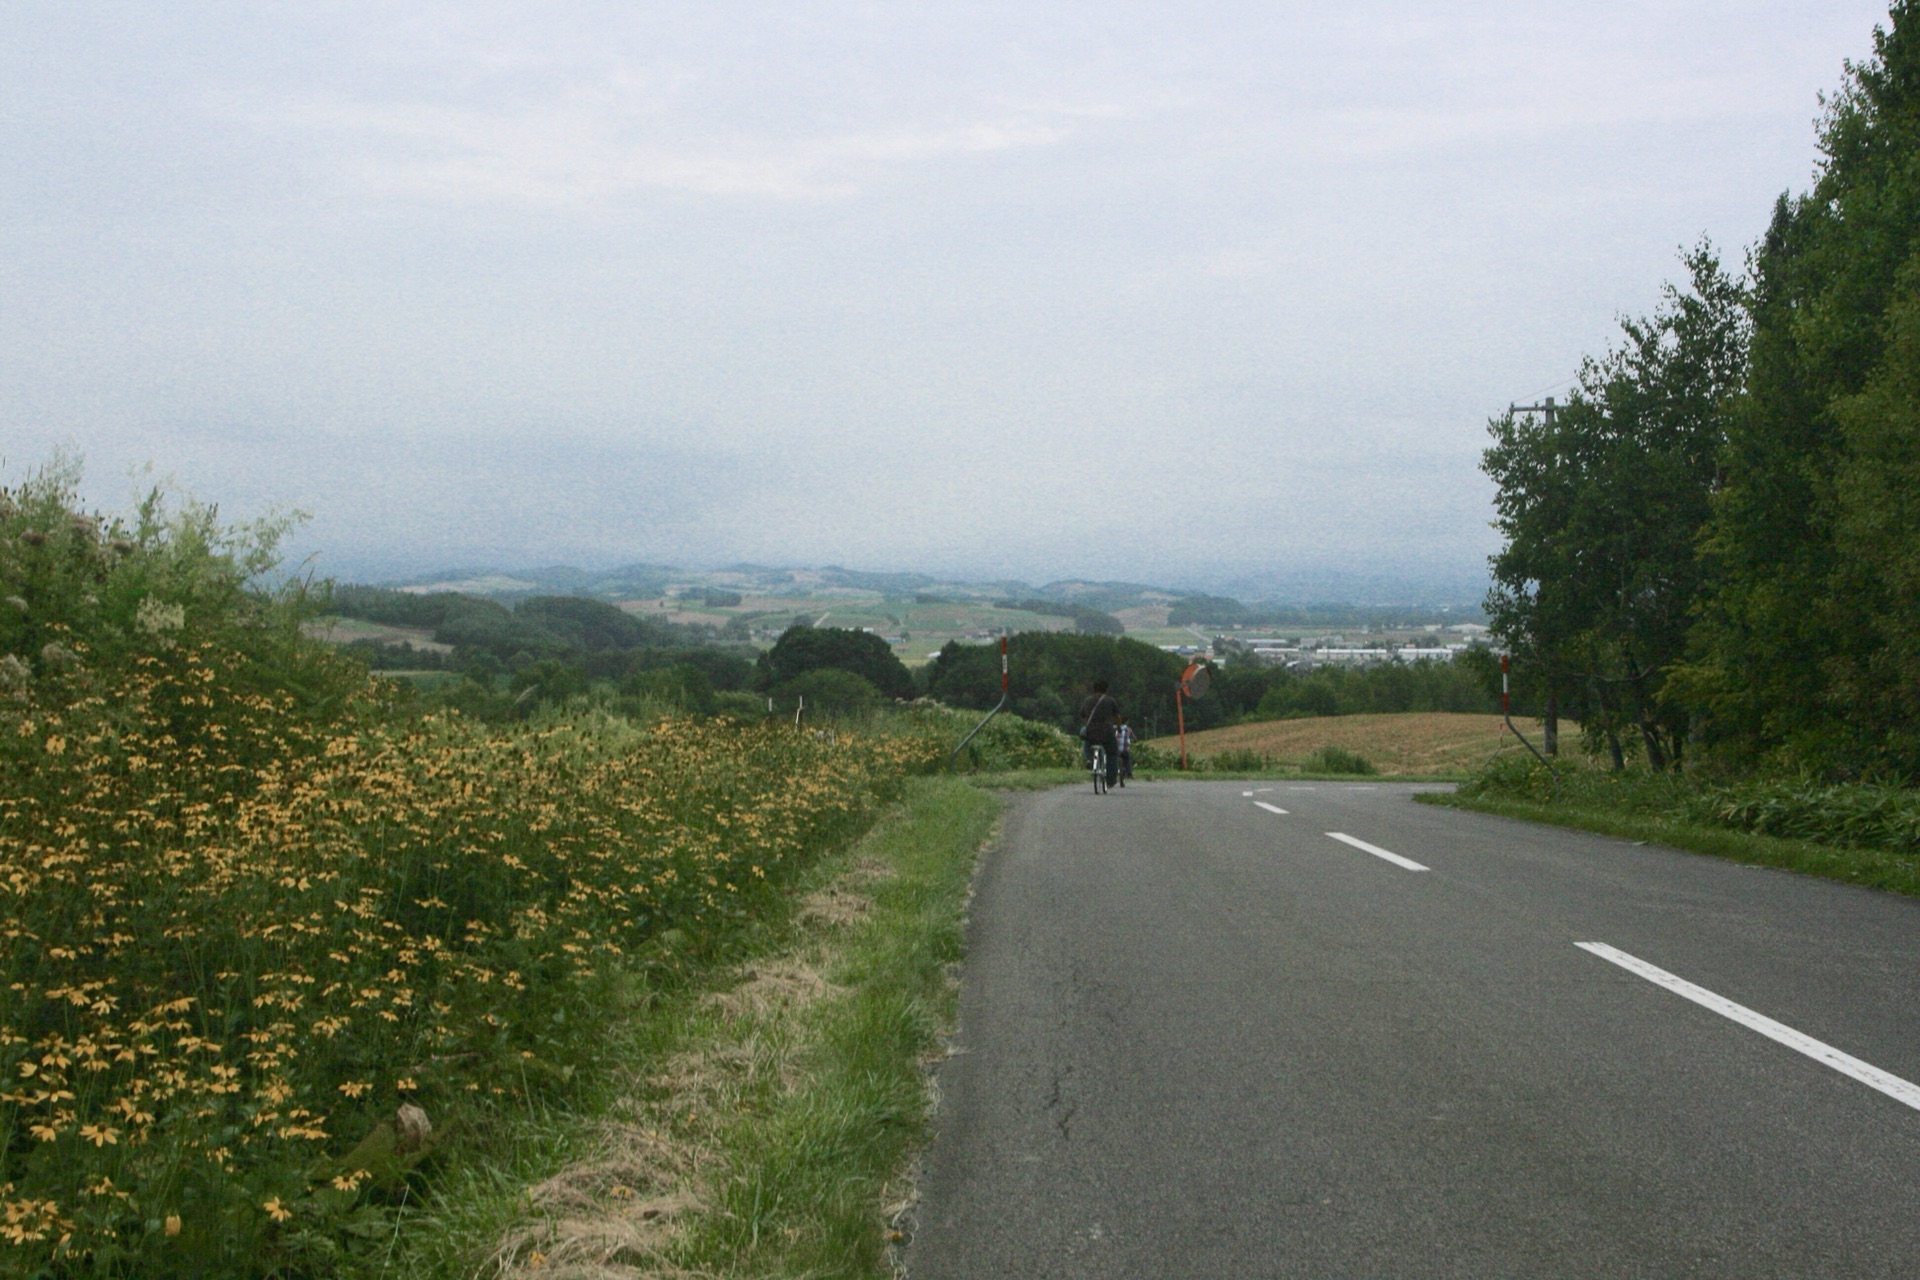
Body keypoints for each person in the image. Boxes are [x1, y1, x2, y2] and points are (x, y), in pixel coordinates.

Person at [1076, 680, 1121, 789]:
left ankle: (1089, 759)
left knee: (1087, 743)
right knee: (1112, 753)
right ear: (1106, 690)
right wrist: (1118, 727)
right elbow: (1118, 717)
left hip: (1091, 732)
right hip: (1107, 732)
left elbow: (1082, 715)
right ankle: (1110, 780)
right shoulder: (1110, 701)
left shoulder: (1087, 700)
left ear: (1094, 689)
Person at [1114, 715, 1134, 782]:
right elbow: (1134, 738)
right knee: (1127, 759)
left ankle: (1115, 772)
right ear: (1127, 722)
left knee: (1115, 759)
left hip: (1117, 750)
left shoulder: (1116, 729)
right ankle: (1129, 773)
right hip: (1125, 750)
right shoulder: (1129, 729)